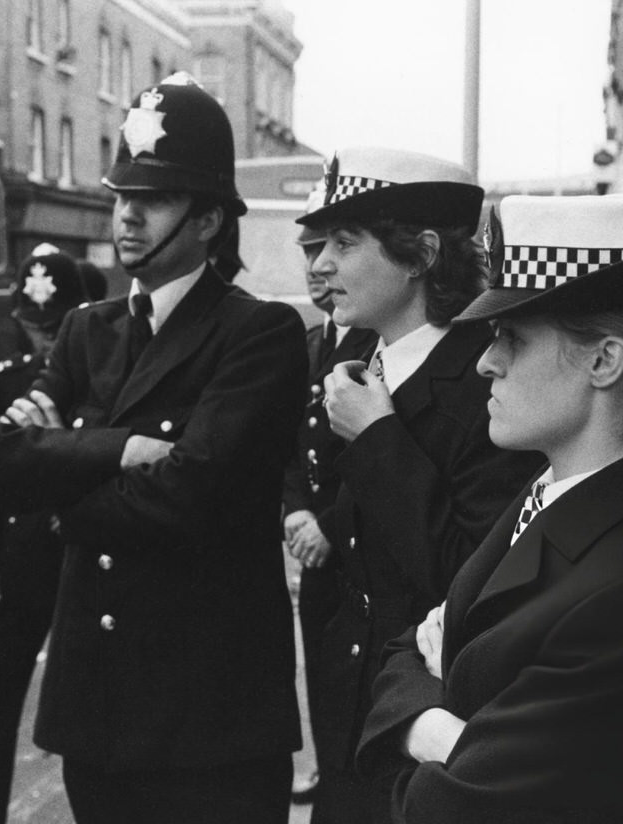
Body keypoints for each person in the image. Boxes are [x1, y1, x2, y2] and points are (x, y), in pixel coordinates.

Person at [358, 193, 623, 823]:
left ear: (605, 360)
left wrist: (425, 723)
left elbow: (448, 811)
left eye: (513, 338)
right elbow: (398, 654)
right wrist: (439, 724)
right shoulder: (553, 495)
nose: (486, 362)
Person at [0, 72, 307, 823]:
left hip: (210, 722)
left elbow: (187, 499)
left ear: (211, 220)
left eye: (151, 200)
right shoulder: (87, 329)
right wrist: (119, 449)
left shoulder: (258, 335)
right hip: (98, 711)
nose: (126, 216)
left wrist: (57, 463)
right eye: (122, 197)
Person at [298, 147, 542, 823]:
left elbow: (470, 576)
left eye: (346, 244)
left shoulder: (488, 382)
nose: (320, 264)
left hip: (430, 715)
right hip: (350, 705)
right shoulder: (354, 357)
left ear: (421, 254)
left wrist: (378, 440)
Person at [0, 245, 100, 824]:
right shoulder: (5, 377)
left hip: (81, 553)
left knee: (93, 708)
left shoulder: (103, 375)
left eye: (53, 327)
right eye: (31, 326)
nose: (41, 341)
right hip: (15, 560)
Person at [283, 189, 378, 806]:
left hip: (352, 561)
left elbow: (369, 455)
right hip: (321, 565)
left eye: (336, 247)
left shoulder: (371, 339)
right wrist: (293, 507)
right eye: (312, 248)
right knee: (326, 713)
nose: (319, 265)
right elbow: (295, 438)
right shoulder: (315, 337)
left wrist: (323, 520)